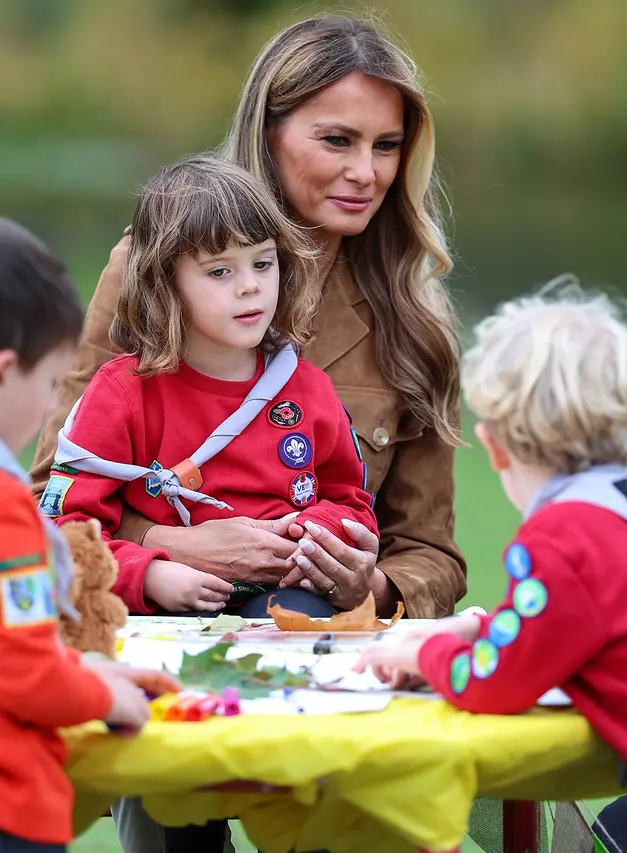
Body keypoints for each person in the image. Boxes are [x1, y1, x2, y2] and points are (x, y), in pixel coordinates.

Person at [30, 14, 468, 853]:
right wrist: (172, 552)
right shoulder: (149, 266)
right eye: (337, 138)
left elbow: (435, 554)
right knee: (174, 816)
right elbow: (57, 495)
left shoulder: (415, 320)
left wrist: (365, 589)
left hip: (332, 667)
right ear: (266, 133)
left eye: (386, 145)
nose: (365, 171)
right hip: (166, 651)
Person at [42, 154, 378, 620]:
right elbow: (64, 532)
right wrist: (151, 574)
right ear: (165, 284)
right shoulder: (121, 394)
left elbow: (350, 501)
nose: (250, 287)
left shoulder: (309, 390)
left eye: (263, 263)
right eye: (220, 271)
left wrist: (308, 539)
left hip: (281, 604)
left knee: (295, 626)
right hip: (153, 615)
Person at [355, 280, 627, 824]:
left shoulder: (562, 537)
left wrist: (423, 656)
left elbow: (496, 684)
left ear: (495, 447)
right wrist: (478, 631)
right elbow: (581, 630)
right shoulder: (626, 508)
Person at [0, 217, 181, 853]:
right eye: (51, 384)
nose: (53, 404)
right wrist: (101, 694)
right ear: (3, 373)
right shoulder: (5, 513)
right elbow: (21, 672)